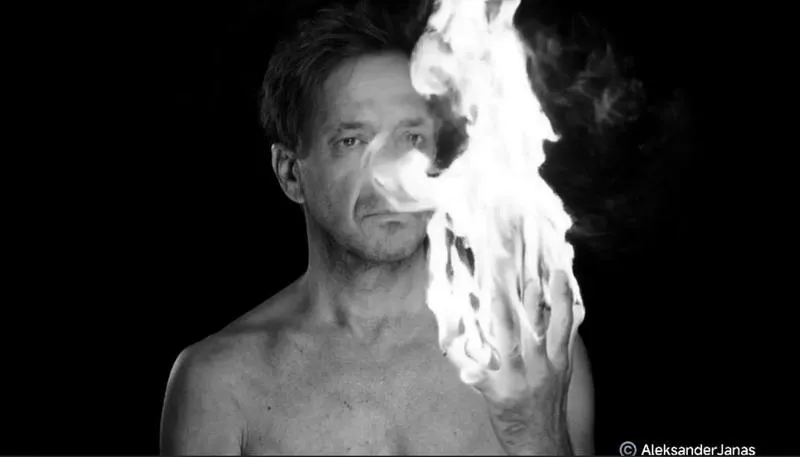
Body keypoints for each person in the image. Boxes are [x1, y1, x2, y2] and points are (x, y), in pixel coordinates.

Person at [159, 1, 594, 454]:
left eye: (412, 138)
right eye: (353, 141)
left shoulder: (534, 356)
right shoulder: (219, 382)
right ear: (290, 172)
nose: (393, 173)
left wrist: (537, 436)